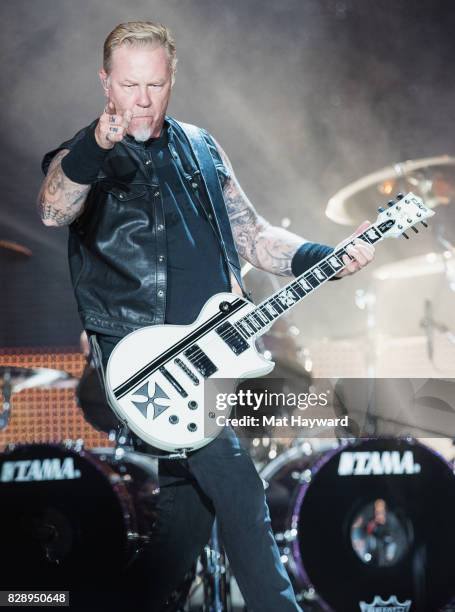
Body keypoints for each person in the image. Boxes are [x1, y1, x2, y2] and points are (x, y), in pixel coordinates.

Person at [37, 21, 374, 611]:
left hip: (213, 352)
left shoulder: (200, 145)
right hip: (147, 365)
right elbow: (52, 207)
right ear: (105, 83)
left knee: (181, 529)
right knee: (240, 493)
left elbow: (254, 235)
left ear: (172, 81)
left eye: (155, 85)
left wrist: (327, 256)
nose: (141, 99)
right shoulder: (86, 153)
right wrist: (96, 145)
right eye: (128, 84)